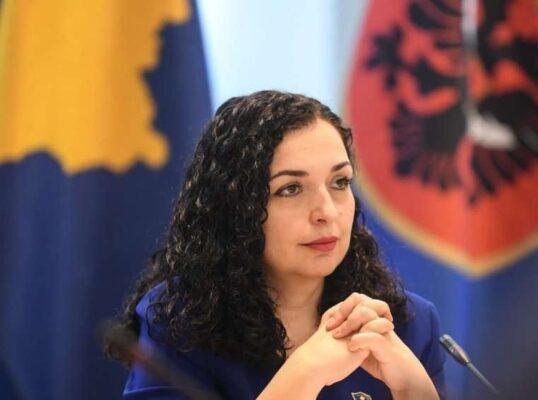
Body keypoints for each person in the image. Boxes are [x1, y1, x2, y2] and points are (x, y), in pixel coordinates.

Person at [108, 90, 446, 399]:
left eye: (340, 182)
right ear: (237, 208)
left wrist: (414, 392)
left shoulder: (407, 324)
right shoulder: (179, 323)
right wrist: (305, 372)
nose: (328, 212)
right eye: (291, 189)